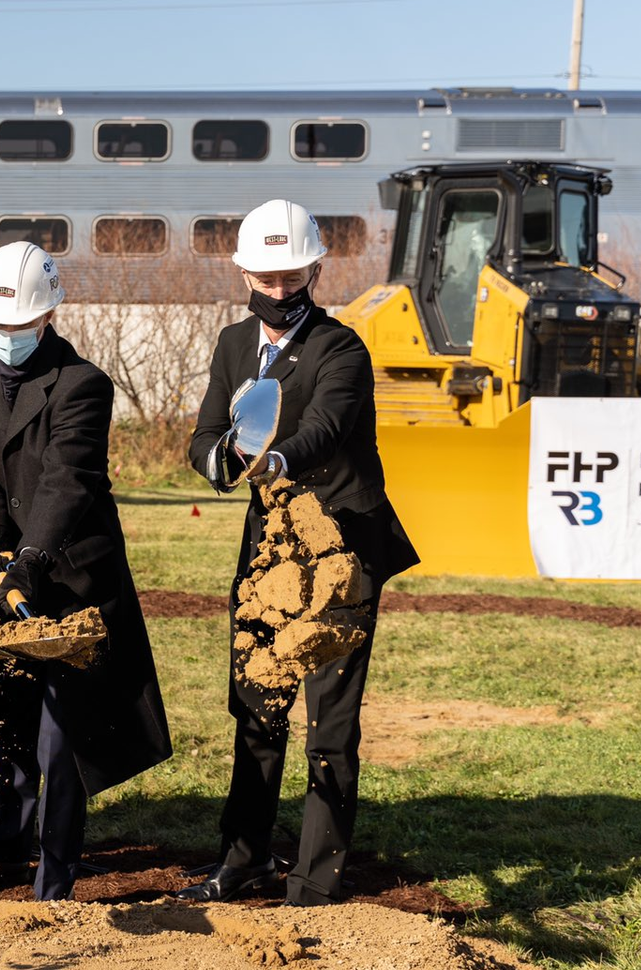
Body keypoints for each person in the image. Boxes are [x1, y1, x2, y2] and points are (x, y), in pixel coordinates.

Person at [181, 199, 419, 906]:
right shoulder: (231, 346)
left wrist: (276, 459)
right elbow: (203, 436)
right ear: (244, 274)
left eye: (293, 276)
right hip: (270, 558)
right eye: (267, 277)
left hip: (340, 553)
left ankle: (316, 878)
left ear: (315, 268)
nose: (280, 290)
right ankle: (243, 857)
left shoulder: (341, 348)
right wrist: (217, 461)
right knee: (256, 708)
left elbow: (324, 426)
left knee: (330, 723)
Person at [0, 242, 171, 902]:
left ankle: (53, 877)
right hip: (16, 575)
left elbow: (68, 482)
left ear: (49, 316)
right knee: (7, 717)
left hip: (71, 576)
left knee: (60, 735)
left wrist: (31, 560)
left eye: (19, 326)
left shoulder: (82, 384)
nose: (6, 337)